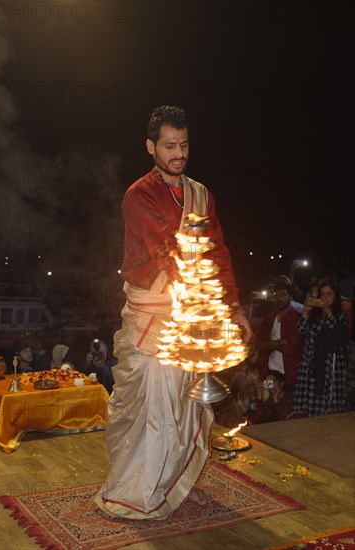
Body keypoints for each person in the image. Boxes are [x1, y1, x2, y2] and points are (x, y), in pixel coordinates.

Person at [94, 105, 252, 519]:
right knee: (151, 408)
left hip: (193, 315)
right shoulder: (138, 195)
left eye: (183, 144)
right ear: (151, 147)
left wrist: (231, 307)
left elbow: (217, 252)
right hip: (153, 316)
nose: (178, 152)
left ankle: (175, 484)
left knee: (187, 407)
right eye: (169, 145)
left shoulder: (201, 194)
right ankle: (137, 490)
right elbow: (164, 247)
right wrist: (202, 303)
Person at [293, 280, 349, 416]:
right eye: (322, 294)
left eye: (329, 294)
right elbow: (300, 330)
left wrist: (328, 312)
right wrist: (306, 312)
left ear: (336, 296)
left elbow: (337, 337)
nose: (325, 298)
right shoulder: (314, 315)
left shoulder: (340, 316)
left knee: (327, 407)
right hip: (310, 365)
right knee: (308, 405)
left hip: (330, 366)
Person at [256, 281, 304, 391]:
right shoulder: (269, 318)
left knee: (287, 404)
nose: (279, 298)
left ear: (290, 297)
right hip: (269, 372)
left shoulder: (297, 318)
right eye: (276, 295)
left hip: (291, 375)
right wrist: (278, 342)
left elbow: (291, 349)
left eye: (283, 295)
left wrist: (270, 344)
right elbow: (259, 345)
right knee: (269, 401)